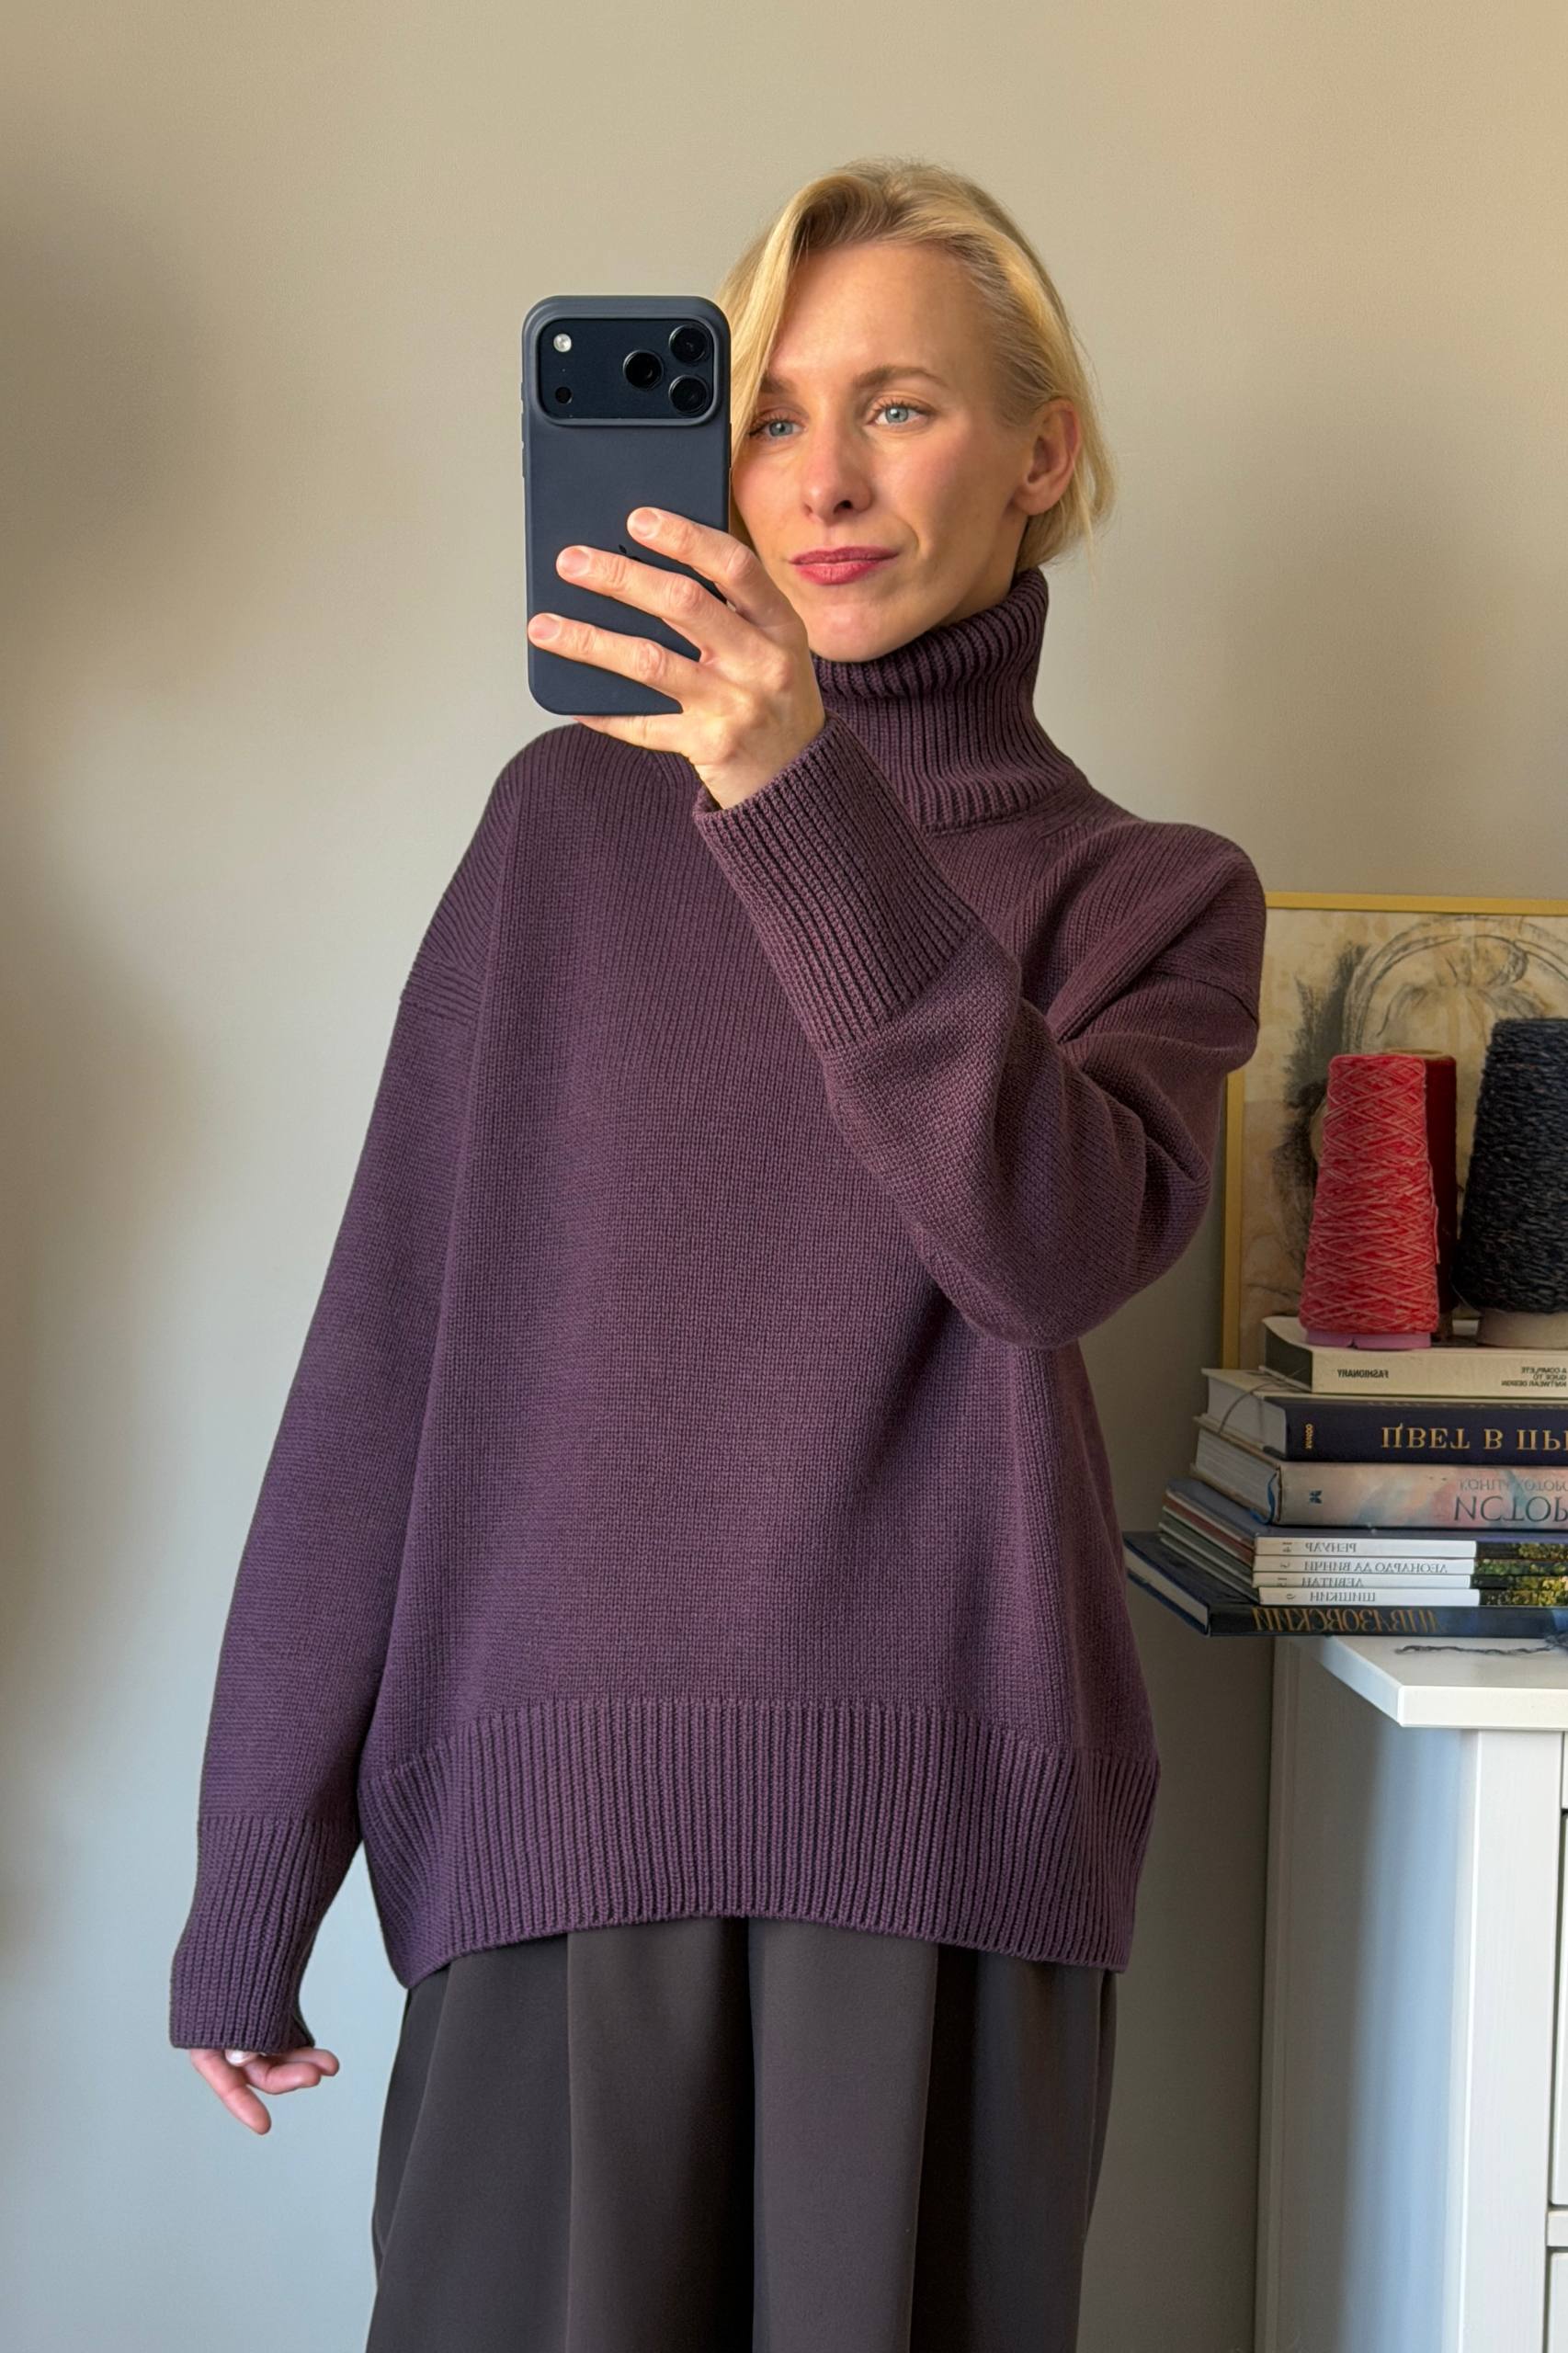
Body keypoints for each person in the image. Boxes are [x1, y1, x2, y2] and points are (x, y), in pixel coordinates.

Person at [170, 155, 1267, 2351]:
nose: (822, 479)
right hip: (549, 1825)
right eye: (767, 414)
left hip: (944, 1839)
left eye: (899, 406)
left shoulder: (1151, 894)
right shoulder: (563, 825)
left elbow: (1042, 1249)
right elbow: (386, 1352)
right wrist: (250, 1875)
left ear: (1039, 450)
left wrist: (793, 797)